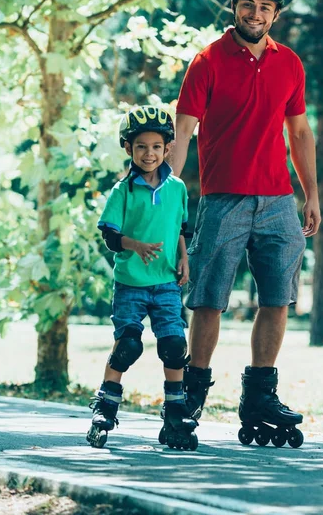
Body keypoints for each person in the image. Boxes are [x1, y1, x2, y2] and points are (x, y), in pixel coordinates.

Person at [169, 0, 321, 449]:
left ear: (276, 13)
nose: (255, 14)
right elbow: (184, 131)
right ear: (234, 5)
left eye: (265, 8)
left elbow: (298, 133)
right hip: (223, 199)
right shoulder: (207, 61)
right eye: (248, 4)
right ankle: (190, 395)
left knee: (278, 298)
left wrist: (310, 192)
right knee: (209, 299)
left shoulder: (289, 64)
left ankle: (259, 394)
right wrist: (167, 198)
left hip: (278, 200)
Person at [86, 105, 198, 451]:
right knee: (128, 346)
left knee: (174, 346)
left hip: (165, 282)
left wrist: (184, 259)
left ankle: (175, 411)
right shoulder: (123, 191)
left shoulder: (177, 188)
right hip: (131, 282)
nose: (148, 154)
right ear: (128, 149)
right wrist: (134, 245)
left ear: (168, 149)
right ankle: (105, 407)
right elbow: (109, 235)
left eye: (155, 147)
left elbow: (180, 228)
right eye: (140, 147)